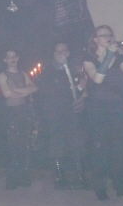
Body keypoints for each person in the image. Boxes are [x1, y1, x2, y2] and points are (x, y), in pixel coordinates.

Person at [83, 25, 123, 200]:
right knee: (101, 149)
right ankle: (100, 188)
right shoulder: (89, 59)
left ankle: (122, 186)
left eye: (110, 34)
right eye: (104, 35)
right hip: (98, 110)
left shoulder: (118, 57)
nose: (108, 37)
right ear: (95, 39)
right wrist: (109, 55)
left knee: (120, 149)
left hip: (118, 109)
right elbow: (98, 79)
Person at [37, 42, 87, 189]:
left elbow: (81, 89)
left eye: (64, 50)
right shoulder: (48, 72)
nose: (61, 54)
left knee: (76, 143)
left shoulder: (74, 70)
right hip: (55, 113)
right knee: (57, 144)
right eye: (58, 51)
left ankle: (80, 175)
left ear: (68, 53)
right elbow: (50, 92)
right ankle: (59, 176)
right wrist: (77, 88)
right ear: (54, 54)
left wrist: (82, 96)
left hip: (72, 113)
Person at [0, 49, 37, 189]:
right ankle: (12, 180)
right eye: (9, 57)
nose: (12, 59)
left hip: (24, 112)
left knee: (25, 145)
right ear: (5, 60)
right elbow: (7, 93)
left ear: (18, 58)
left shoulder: (23, 73)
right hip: (11, 113)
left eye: (14, 56)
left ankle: (24, 178)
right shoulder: (3, 75)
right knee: (12, 146)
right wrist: (25, 91)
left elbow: (34, 88)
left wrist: (17, 90)